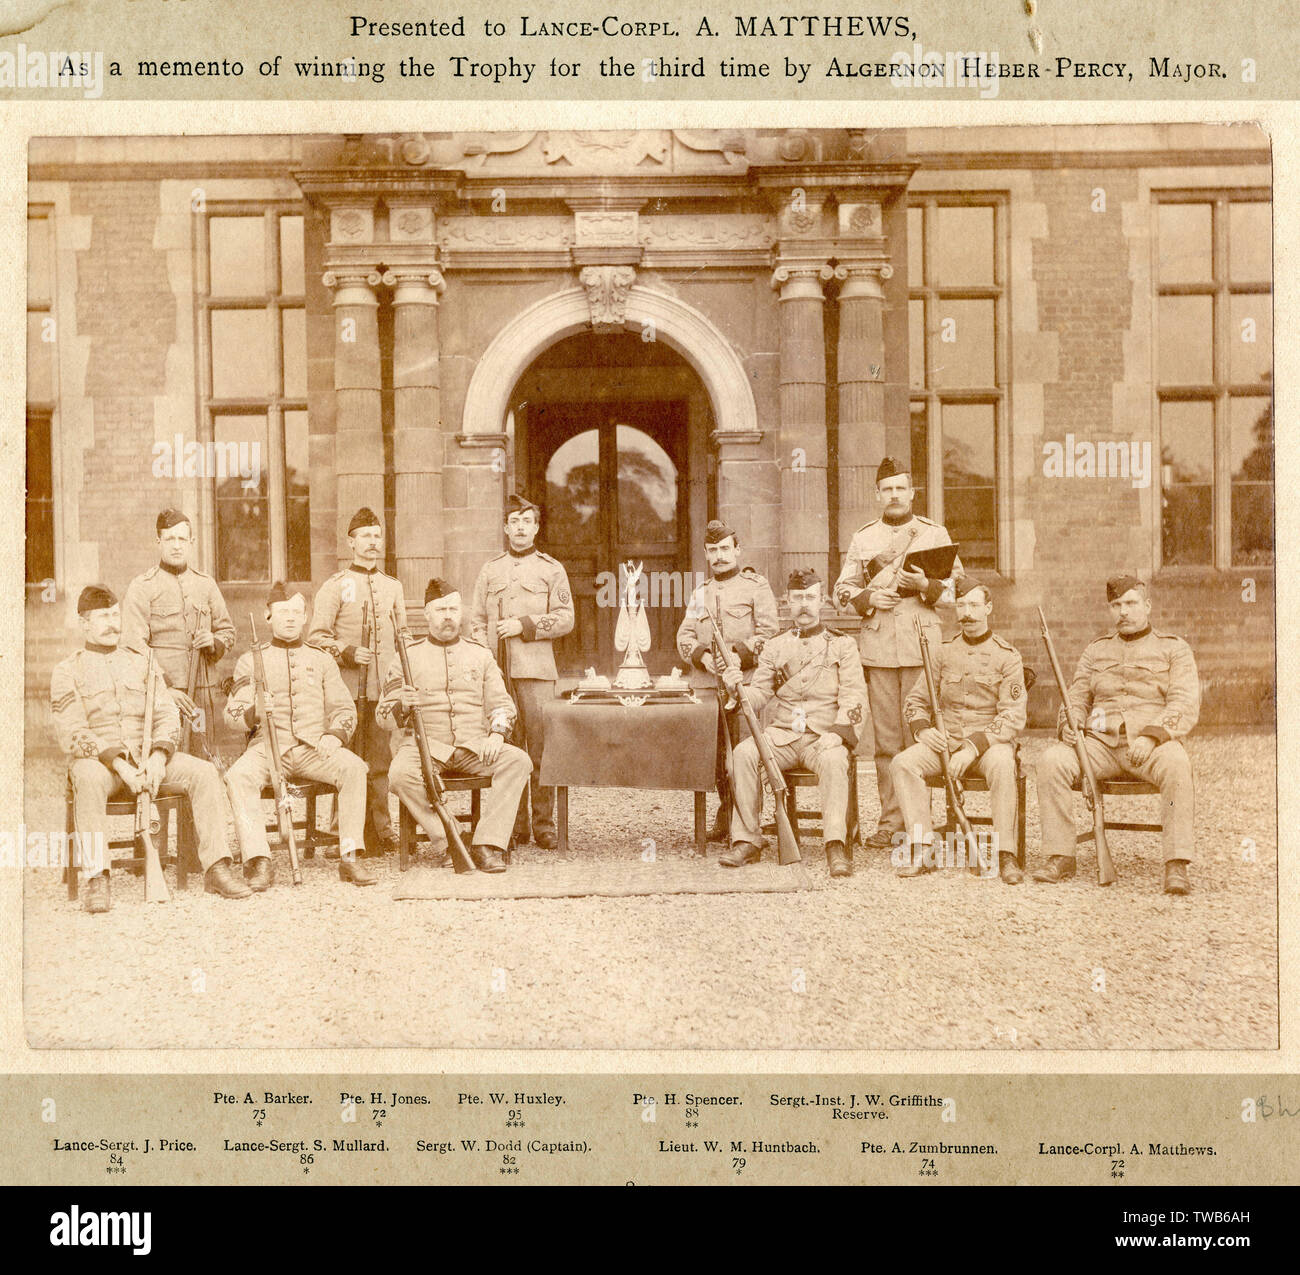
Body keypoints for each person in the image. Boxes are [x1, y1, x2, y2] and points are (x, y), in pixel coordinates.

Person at [52, 585, 250, 912]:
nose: (112, 624)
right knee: (85, 777)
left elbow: (166, 714)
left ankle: (217, 867)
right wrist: (121, 765)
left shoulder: (141, 662)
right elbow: (72, 732)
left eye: (115, 616)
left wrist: (158, 757)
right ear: (84, 624)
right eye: (103, 617)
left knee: (203, 772)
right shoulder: (67, 670)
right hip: (102, 765)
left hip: (149, 759)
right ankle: (97, 877)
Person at [1034, 574, 1200, 895]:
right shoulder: (1095, 651)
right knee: (1051, 760)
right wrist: (1071, 724)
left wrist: (1152, 736)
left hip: (1151, 745)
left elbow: (1183, 701)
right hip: (1099, 745)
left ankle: (1176, 863)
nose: (1123, 611)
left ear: (1147, 606)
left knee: (1178, 765)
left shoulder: (1173, 649)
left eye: (1130, 603)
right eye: (1116, 605)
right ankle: (1060, 855)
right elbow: (1077, 696)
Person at [834, 456, 962, 851]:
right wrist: (871, 597)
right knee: (888, 743)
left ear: (912, 493)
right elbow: (841, 591)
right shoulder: (863, 538)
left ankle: (922, 821)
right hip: (878, 651)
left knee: (922, 737)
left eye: (900, 489)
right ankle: (892, 822)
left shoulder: (933, 534)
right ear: (877, 495)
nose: (894, 495)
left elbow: (958, 595)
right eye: (887, 489)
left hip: (924, 650)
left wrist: (926, 584)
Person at [224, 583, 376, 889]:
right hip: (266, 748)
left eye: (296, 612)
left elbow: (344, 709)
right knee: (237, 776)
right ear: (268, 617)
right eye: (283, 612)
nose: (290, 618)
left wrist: (335, 734)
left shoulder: (321, 659)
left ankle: (349, 855)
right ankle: (258, 859)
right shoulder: (250, 660)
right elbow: (231, 716)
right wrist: (254, 710)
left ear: (305, 617)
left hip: (312, 748)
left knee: (354, 768)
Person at [720, 568, 868, 877]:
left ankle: (835, 845)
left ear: (822, 601)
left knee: (834, 761)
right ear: (787, 601)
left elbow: (855, 698)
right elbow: (759, 693)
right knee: (744, 754)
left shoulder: (842, 645)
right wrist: (737, 687)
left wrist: (840, 735)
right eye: (797, 598)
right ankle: (748, 840)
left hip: (823, 736)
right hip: (783, 735)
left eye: (810, 598)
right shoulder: (775, 646)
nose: (803, 604)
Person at [380, 578, 532, 874]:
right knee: (399, 774)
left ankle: (487, 843)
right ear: (426, 614)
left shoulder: (480, 654)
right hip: (426, 747)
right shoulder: (405, 658)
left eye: (453, 609)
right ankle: (447, 840)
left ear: (461, 613)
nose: (448, 616)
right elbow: (383, 715)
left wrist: (497, 734)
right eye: (440, 610)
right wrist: (403, 706)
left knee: (518, 761)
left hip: (473, 745)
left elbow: (502, 704)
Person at [890, 578, 1027, 883]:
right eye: (962, 605)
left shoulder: (1008, 656)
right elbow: (916, 700)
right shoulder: (941, 652)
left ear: (988, 608)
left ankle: (1006, 855)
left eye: (974, 605)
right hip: (945, 740)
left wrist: (973, 746)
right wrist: (923, 731)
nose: (967, 613)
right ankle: (923, 847)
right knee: (903, 763)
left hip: (990, 744)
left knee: (1004, 764)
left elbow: (1013, 715)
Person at [469, 493, 573, 850]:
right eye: (514, 522)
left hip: (536, 672)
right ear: (505, 528)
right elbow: (477, 620)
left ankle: (544, 824)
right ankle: (513, 826)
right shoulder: (490, 569)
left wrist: (524, 625)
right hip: (497, 673)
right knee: (506, 748)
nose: (520, 528)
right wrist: (483, 652)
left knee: (541, 748)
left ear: (536, 528)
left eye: (526, 522)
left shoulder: (551, 569)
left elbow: (565, 619)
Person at [307, 507, 408, 855]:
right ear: (351, 542)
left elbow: (403, 638)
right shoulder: (336, 587)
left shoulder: (392, 587)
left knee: (380, 760)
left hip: (381, 691)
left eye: (377, 536)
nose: (372, 542)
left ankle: (381, 829)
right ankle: (342, 834)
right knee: (346, 760)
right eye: (365, 536)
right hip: (345, 692)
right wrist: (348, 652)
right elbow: (316, 637)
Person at [675, 519, 780, 841]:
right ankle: (725, 816)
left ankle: (748, 823)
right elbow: (684, 636)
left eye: (725, 549)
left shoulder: (756, 587)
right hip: (709, 685)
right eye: (713, 551)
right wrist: (702, 657)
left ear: (737, 550)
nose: (719, 556)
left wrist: (741, 656)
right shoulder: (700, 592)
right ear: (706, 554)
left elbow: (770, 632)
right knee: (718, 757)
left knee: (746, 753)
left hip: (745, 683)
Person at [120, 508, 236, 750]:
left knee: (202, 754)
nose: (176, 545)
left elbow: (227, 631)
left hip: (202, 692)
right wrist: (166, 687)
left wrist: (213, 642)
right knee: (165, 756)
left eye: (182, 539)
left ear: (191, 542)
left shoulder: (206, 584)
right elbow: (134, 646)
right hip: (161, 694)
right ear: (158, 542)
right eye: (170, 539)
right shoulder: (142, 587)